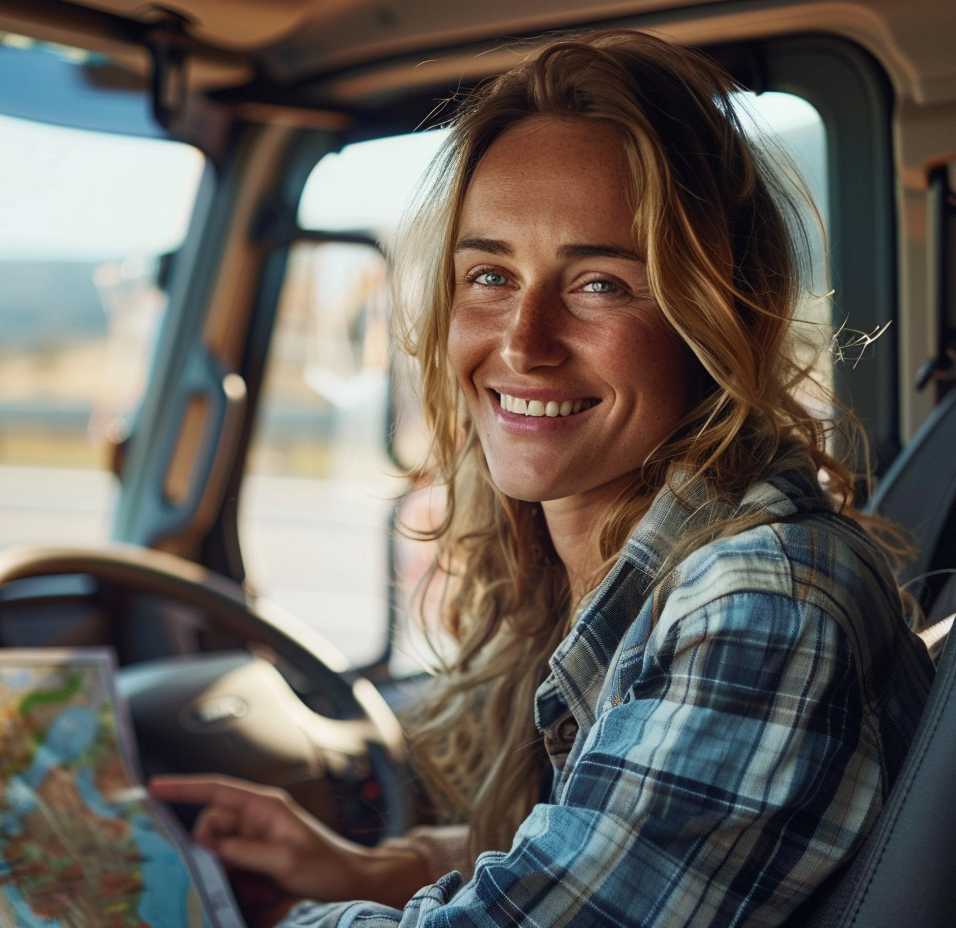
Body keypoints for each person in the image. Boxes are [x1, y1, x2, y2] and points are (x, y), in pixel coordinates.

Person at [149, 28, 935, 928]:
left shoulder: (759, 600)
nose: (522, 342)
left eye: (599, 283)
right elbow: (594, 843)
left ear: (713, 315)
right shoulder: (624, 570)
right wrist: (362, 869)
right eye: (489, 274)